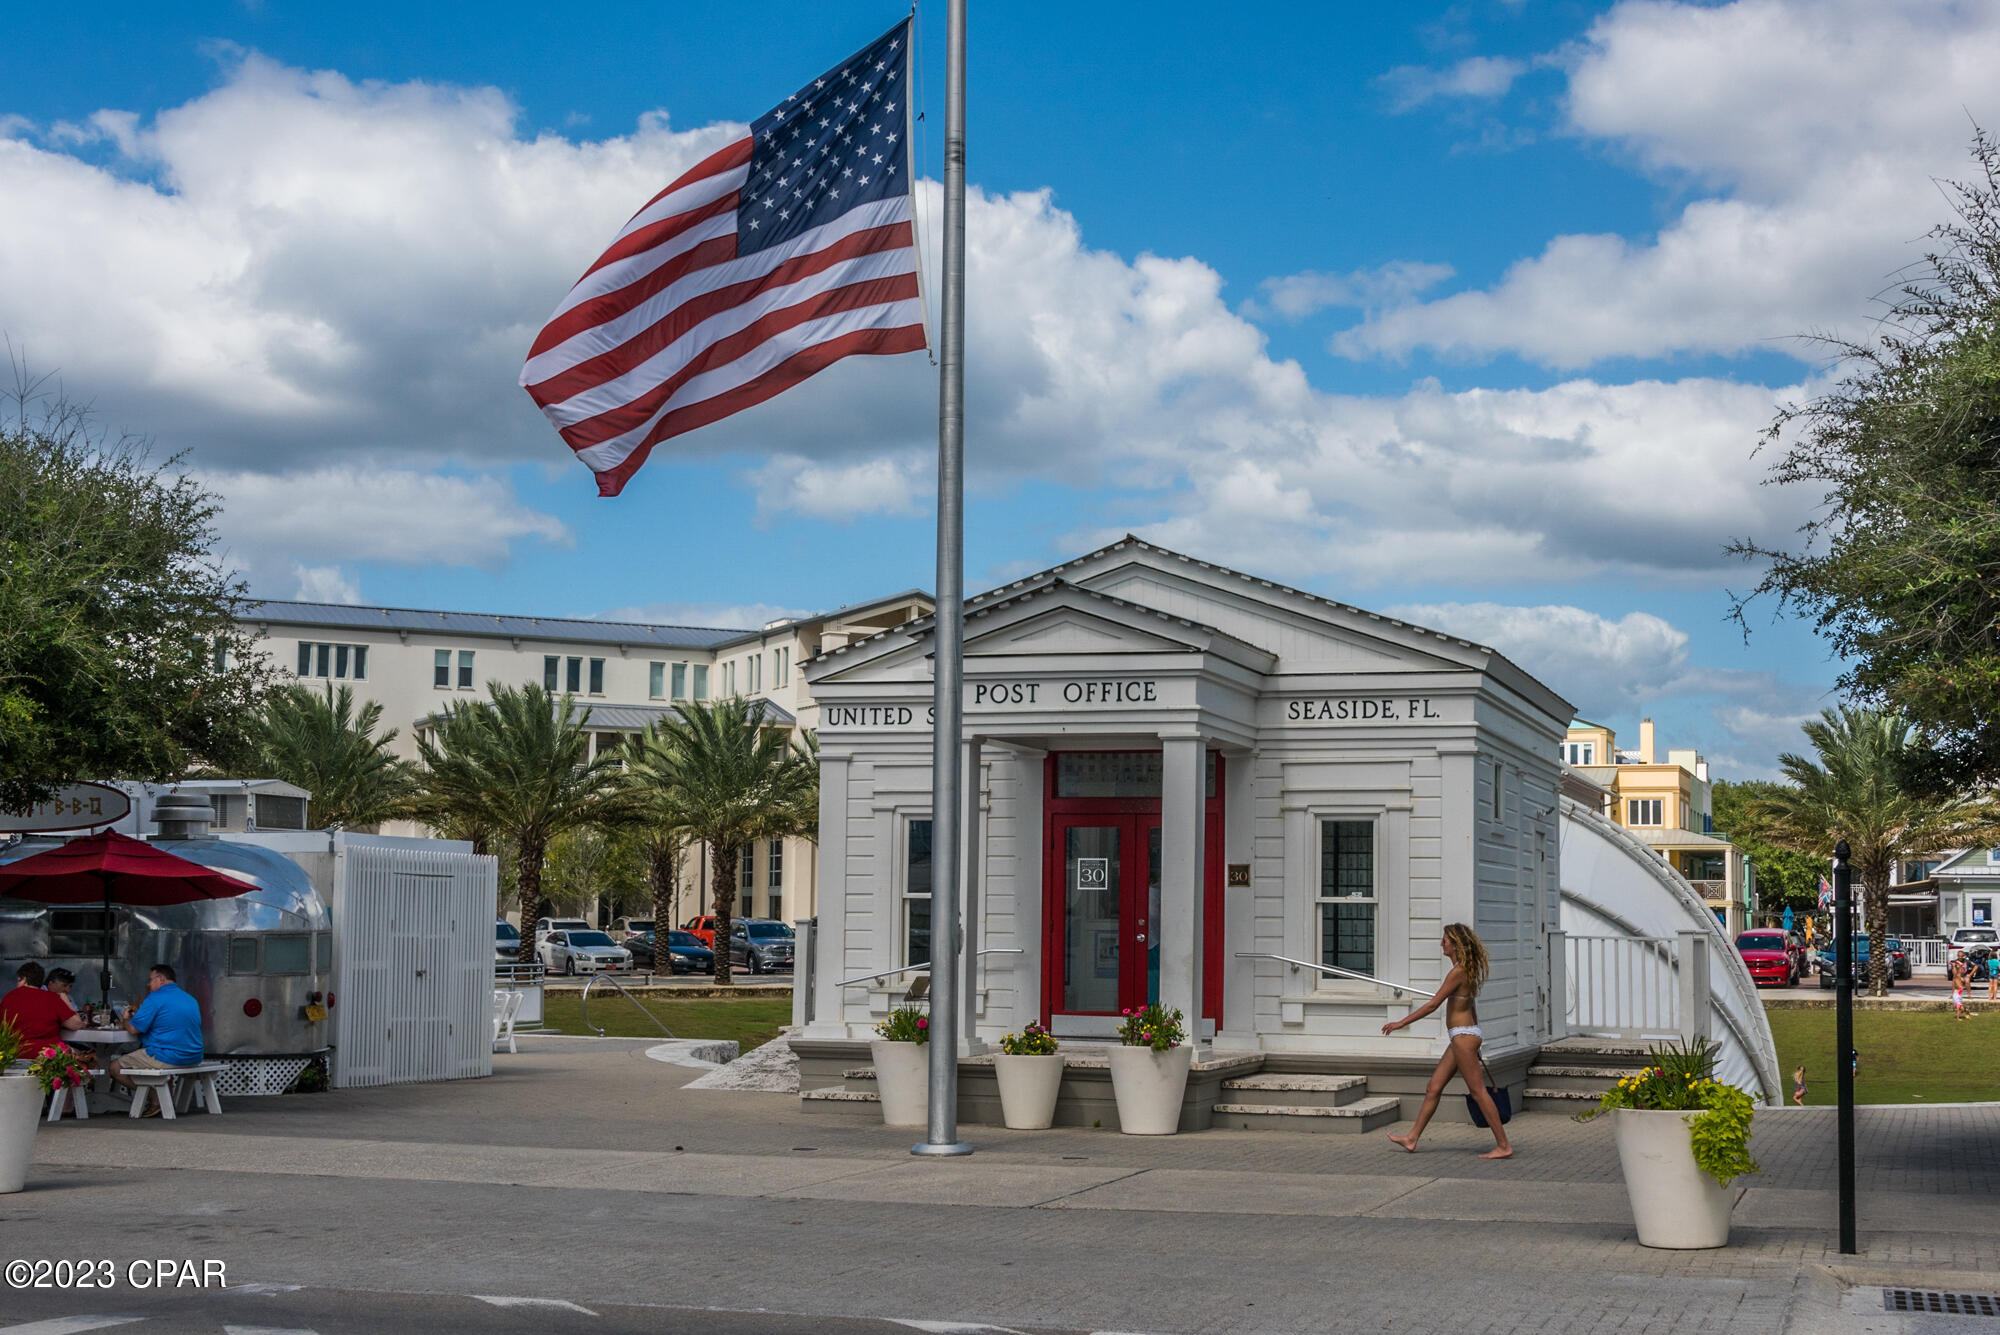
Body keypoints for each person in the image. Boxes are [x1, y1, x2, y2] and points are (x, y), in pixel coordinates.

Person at [1381, 922, 1513, 1159]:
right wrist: (1476, 1039)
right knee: (1433, 1087)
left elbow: (1434, 1004)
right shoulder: (1464, 969)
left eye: (1445, 940)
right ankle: (1411, 1139)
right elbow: (1470, 1005)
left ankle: (1503, 1145)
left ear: (1455, 944)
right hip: (1464, 1036)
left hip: (1463, 1037)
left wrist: (1401, 1023)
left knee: (1478, 1092)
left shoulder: (1458, 972)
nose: (1442, 944)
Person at [108, 964, 204, 1114]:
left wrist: (125, 1018)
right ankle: (161, 1099)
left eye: (151, 980)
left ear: (161, 979)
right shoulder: (189, 998)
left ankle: (155, 1097)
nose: (148, 984)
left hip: (169, 1056)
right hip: (194, 1056)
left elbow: (133, 1029)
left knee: (115, 1067)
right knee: (156, 1058)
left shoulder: (155, 998)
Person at [0, 961, 84, 1056]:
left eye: (18, 980)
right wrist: (65, 1000)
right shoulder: (52, 998)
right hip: (47, 1058)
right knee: (83, 1055)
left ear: (24, 979)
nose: (17, 984)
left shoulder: (8, 998)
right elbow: (76, 1024)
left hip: (14, 1055)